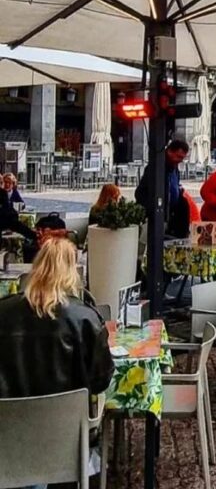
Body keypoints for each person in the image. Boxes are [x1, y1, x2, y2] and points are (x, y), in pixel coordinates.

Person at [0, 238, 114, 399]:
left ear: (36, 267)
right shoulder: (85, 318)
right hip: (68, 420)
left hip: (10, 420)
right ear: (72, 271)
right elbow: (101, 380)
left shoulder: (4, 311)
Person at [135, 137, 190, 237]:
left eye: (182, 158)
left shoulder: (174, 168)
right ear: (169, 152)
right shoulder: (157, 168)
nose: (180, 161)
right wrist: (152, 210)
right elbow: (140, 193)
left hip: (171, 216)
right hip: (157, 216)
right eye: (178, 156)